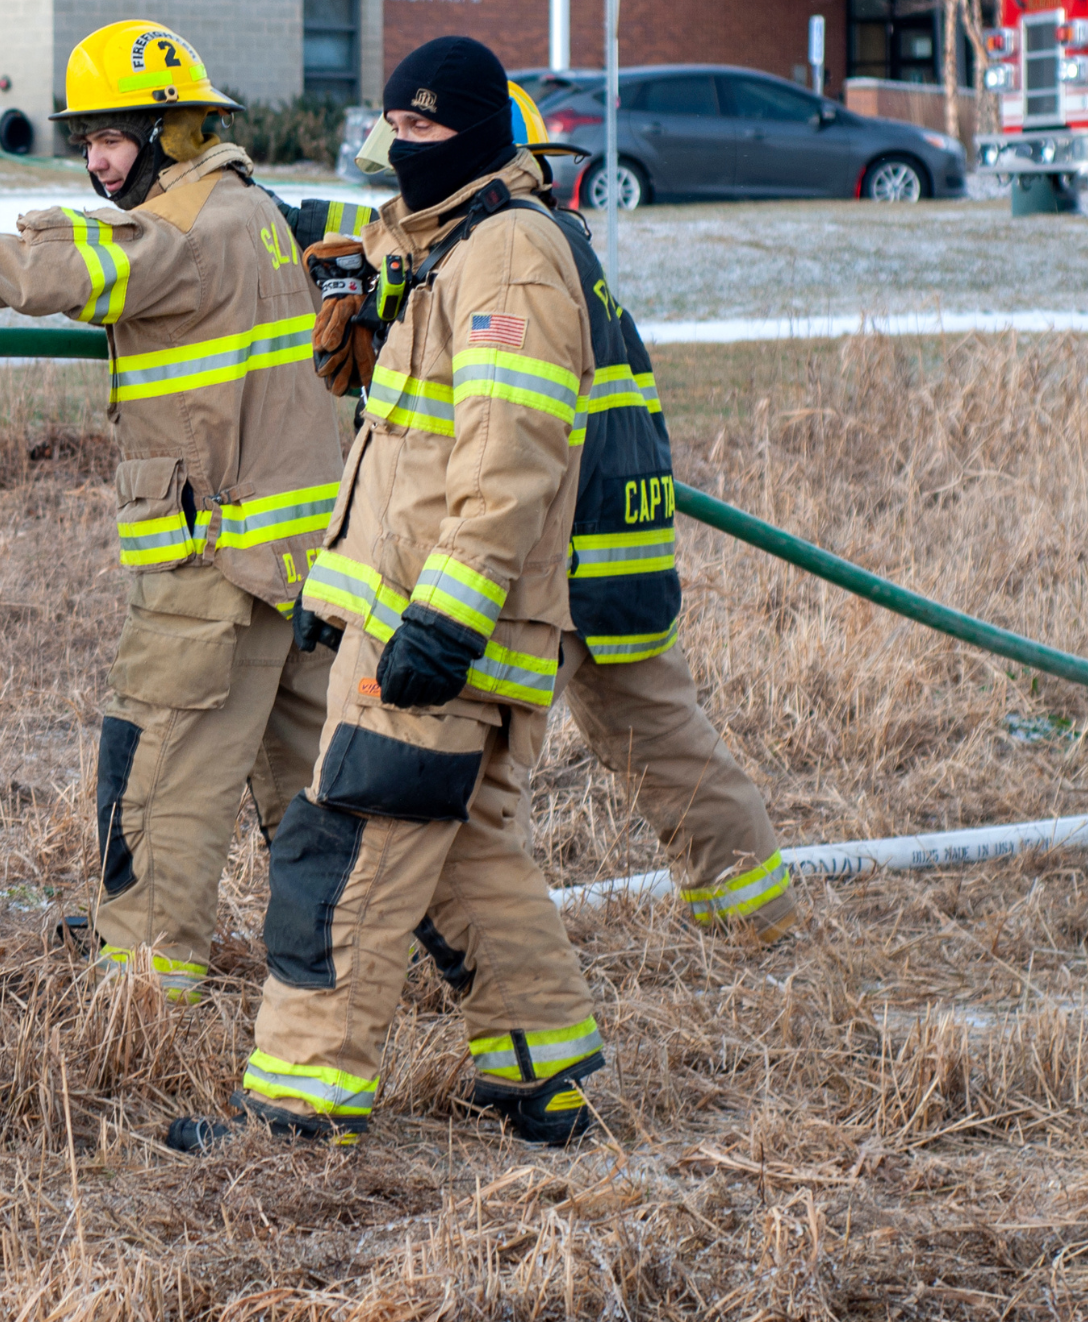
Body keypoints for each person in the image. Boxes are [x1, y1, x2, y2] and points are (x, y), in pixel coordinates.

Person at [0, 20, 347, 1005]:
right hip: (293, 566)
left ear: (175, 134)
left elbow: (45, 268)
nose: (95, 160)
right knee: (309, 790)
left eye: (115, 137)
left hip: (211, 572)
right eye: (86, 138)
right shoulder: (251, 210)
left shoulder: (176, 233)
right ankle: (353, 965)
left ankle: (143, 989)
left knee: (160, 787)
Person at [222, 35, 612, 1151]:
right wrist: (360, 320)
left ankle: (302, 1109)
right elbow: (405, 434)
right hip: (418, 612)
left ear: (486, 133)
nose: (407, 148)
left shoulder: (509, 258)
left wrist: (443, 617)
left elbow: (510, 455)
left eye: (429, 129)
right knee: (468, 849)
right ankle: (547, 1074)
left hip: (440, 624)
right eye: (395, 126)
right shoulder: (445, 250)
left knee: (347, 851)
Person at [314, 108, 796, 945]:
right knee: (664, 743)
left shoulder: (513, 251)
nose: (401, 190)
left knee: (483, 792)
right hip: (605, 538)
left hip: (565, 551)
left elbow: (512, 434)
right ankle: (756, 920)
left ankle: (735, 926)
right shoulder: (531, 235)